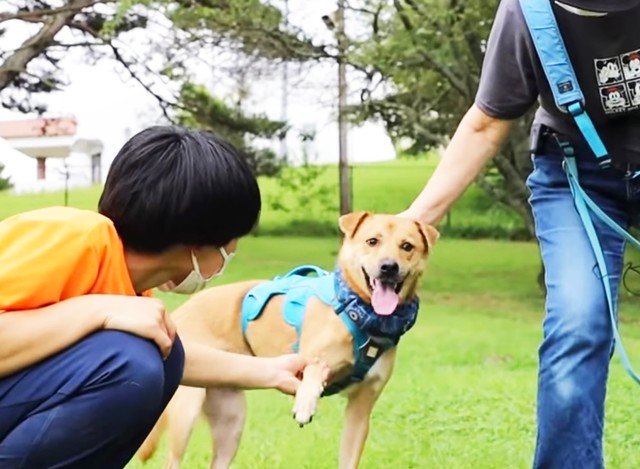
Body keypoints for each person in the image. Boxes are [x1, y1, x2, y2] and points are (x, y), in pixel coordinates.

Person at [399, 0, 640, 467]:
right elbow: (486, 122)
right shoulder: (528, 11)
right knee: (578, 321)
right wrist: (412, 223)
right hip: (578, 175)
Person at [0, 126, 307, 469]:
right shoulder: (75, 237)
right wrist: (97, 310)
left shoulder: (126, 283)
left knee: (161, 354)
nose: (234, 249)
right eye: (234, 236)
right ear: (198, 239)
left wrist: (270, 371)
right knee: (131, 361)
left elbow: (167, 350)